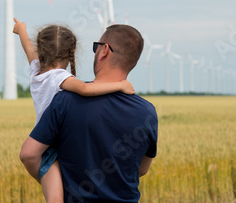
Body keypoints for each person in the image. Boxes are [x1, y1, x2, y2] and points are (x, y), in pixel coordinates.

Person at [20, 24, 158, 203]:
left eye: (96, 47)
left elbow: (29, 154)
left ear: (104, 51)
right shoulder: (147, 112)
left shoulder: (65, 100)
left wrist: (52, 181)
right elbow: (141, 170)